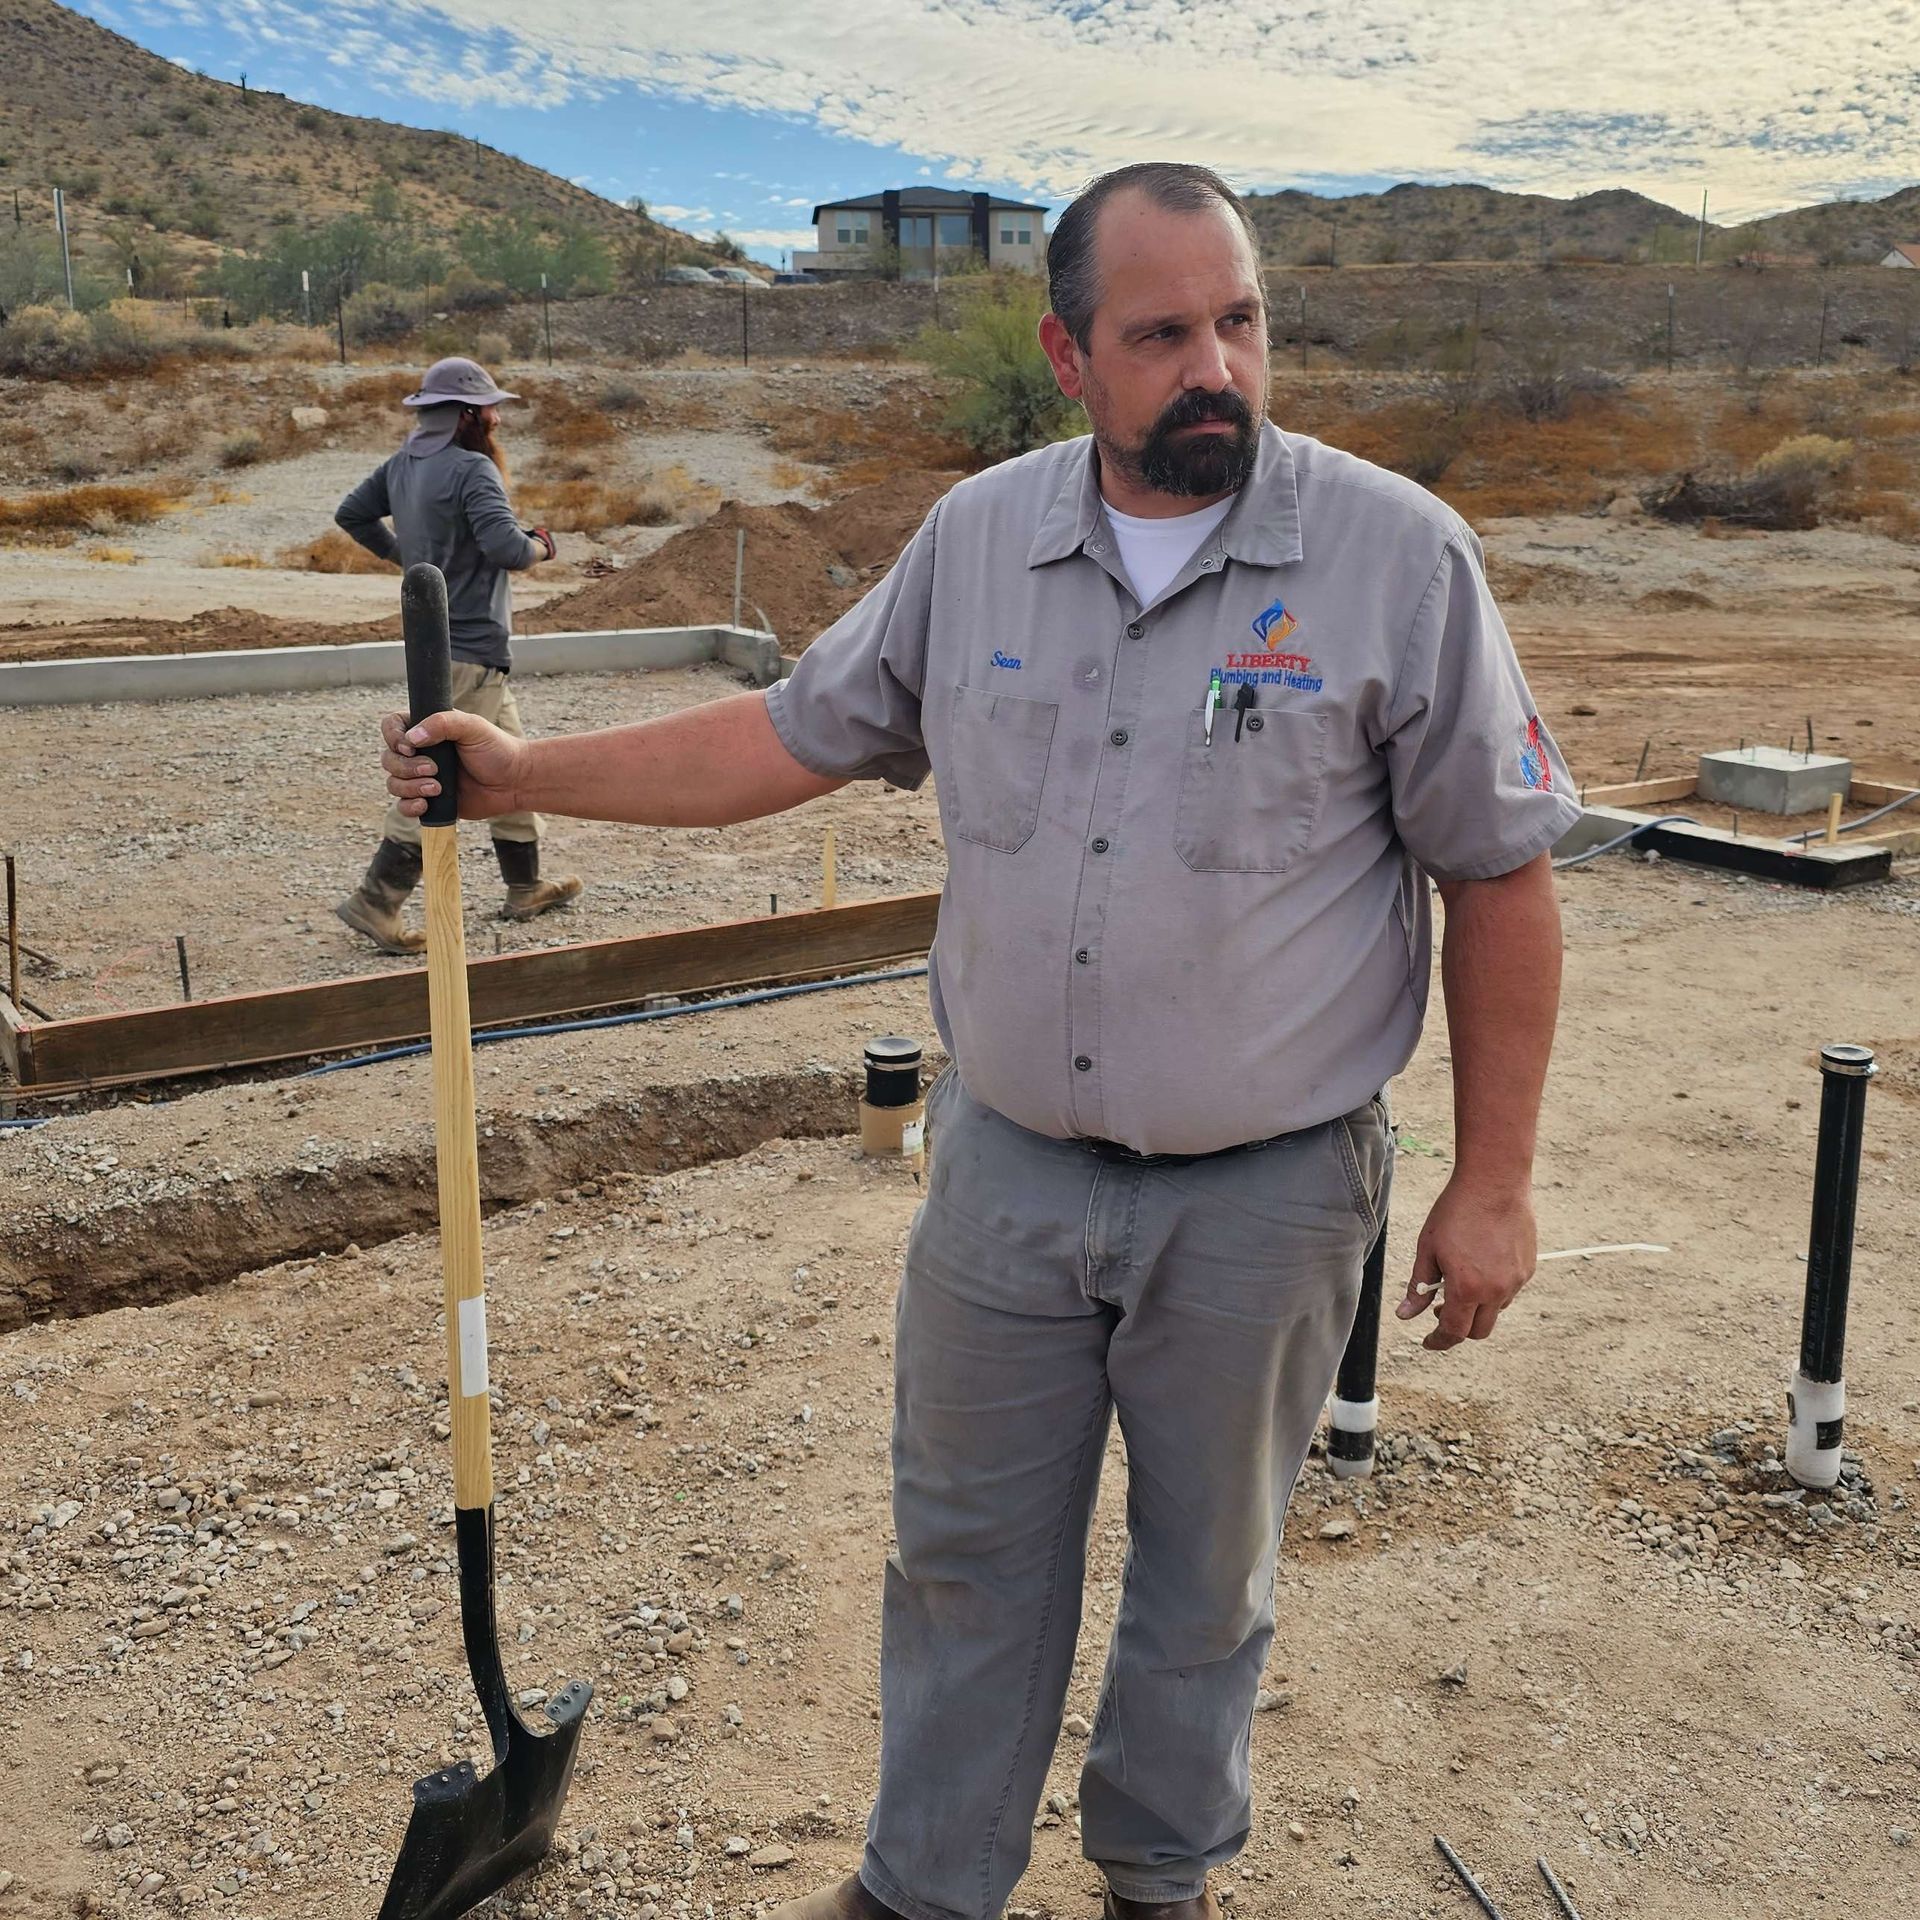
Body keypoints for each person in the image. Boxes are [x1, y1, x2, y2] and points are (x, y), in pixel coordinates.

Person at [381, 165, 1581, 1920]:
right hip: (1008, 1181)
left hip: (1267, 1199)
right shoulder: (975, 542)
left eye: (1241, 320)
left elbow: (1503, 877)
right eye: (1163, 334)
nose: (1218, 367)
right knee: (961, 1565)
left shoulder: (1398, 560)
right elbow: (788, 740)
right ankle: (925, 1887)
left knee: (1208, 1585)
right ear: (1069, 355)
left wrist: (1498, 1181)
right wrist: (525, 772)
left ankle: (1154, 1883)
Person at [335, 354, 581, 953]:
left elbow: (352, 515)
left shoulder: (403, 464)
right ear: (469, 415)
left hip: (450, 649)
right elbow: (507, 548)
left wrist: (414, 563)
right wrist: (543, 546)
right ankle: (377, 901)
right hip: (471, 648)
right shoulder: (472, 469)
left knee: (515, 764)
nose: (497, 418)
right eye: (491, 409)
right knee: (435, 776)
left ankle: (525, 888)